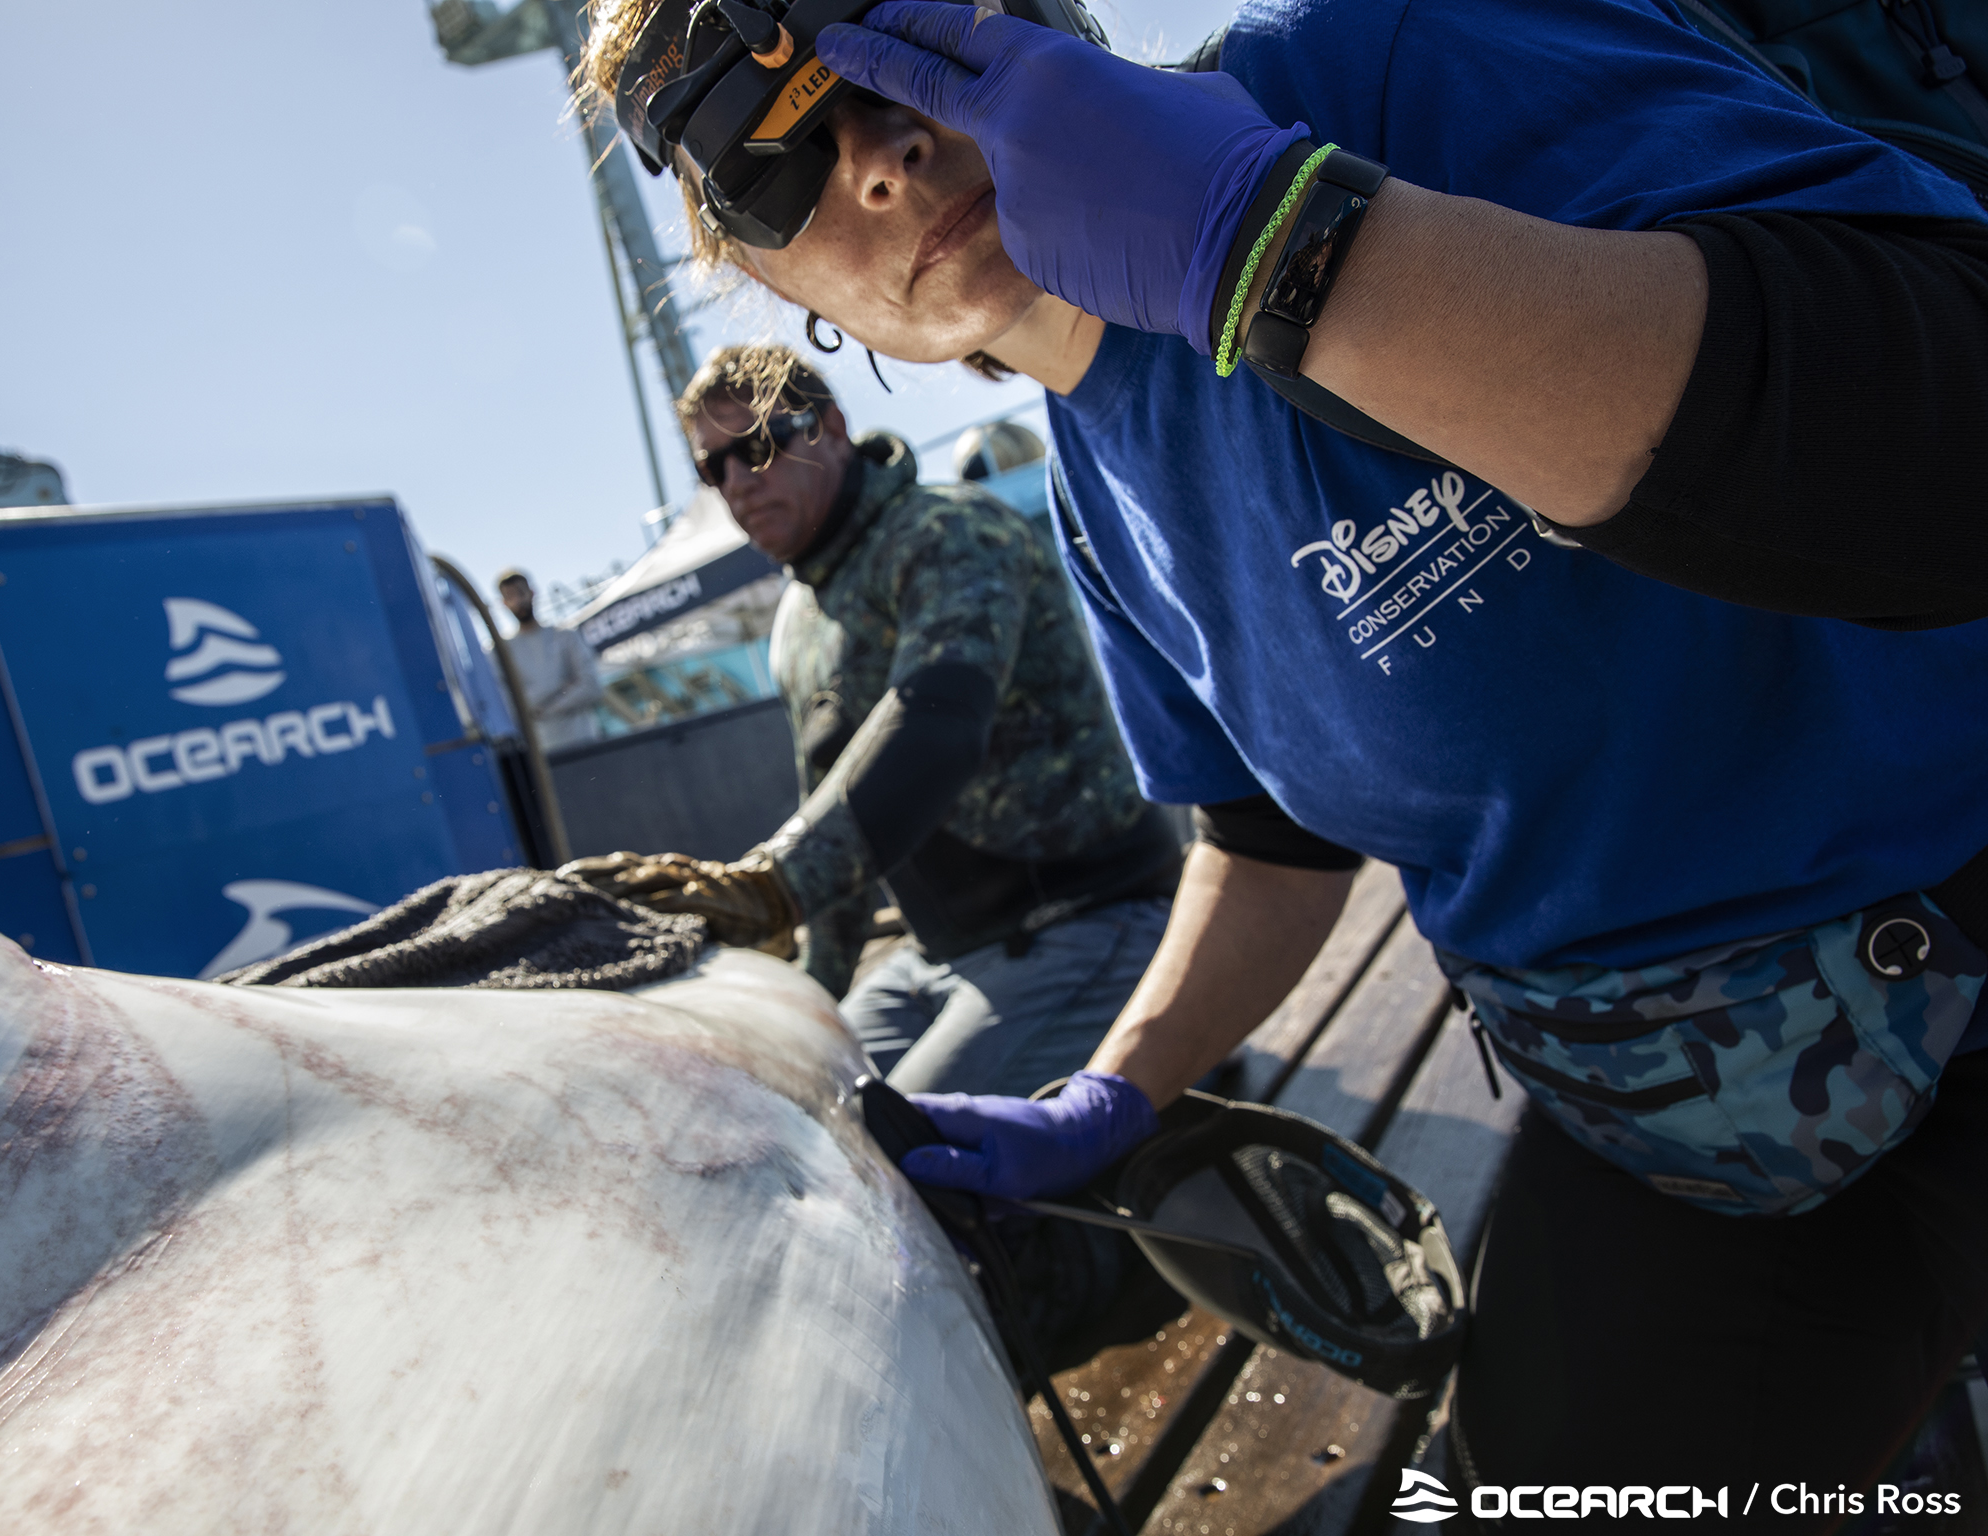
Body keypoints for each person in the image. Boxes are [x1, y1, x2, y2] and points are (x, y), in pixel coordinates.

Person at [578, 0, 1988, 1497]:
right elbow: (1267, 847)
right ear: (776, 285)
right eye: (775, 158)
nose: (882, 156)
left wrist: (1278, 241)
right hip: (1678, 1130)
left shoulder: (1370, 73)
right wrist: (1112, 1094)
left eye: (911, 41)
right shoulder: (1095, 506)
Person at [565, 344, 1185, 1101]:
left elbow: (938, 723)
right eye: (712, 468)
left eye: (755, 447)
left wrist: (769, 888)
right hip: (938, 955)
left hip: (1089, 919)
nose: (736, 483)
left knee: (900, 1149)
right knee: (788, 1108)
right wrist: (812, 998)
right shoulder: (797, 622)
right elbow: (835, 823)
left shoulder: (950, 531)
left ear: (829, 427)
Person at [495, 568, 606, 751]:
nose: (518, 601)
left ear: (532, 593)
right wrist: (564, 689)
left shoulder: (566, 636)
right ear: (504, 603)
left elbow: (592, 686)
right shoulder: (501, 651)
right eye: (511, 596)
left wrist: (543, 708)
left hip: (585, 744)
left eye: (521, 593)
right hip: (540, 753)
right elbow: (506, 704)